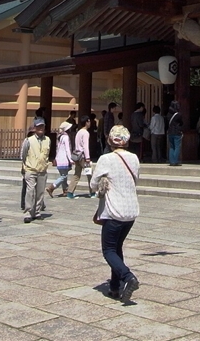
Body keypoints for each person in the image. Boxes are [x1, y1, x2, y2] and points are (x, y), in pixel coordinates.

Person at [90, 124, 141, 303]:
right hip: (131, 211)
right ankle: (114, 286)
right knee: (117, 247)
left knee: (108, 250)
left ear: (110, 140)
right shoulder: (134, 158)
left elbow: (93, 184)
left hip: (114, 211)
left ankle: (128, 277)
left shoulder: (106, 159)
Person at [22, 118, 52, 222]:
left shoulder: (47, 140)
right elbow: (24, 154)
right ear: (34, 128)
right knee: (30, 191)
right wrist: (25, 167)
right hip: (31, 169)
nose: (41, 128)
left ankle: (37, 212)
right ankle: (28, 212)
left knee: (40, 192)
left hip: (42, 169)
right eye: (38, 126)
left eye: (42, 126)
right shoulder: (29, 140)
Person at [67, 114, 93, 198]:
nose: (90, 123)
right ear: (86, 122)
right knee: (89, 174)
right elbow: (85, 146)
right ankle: (92, 192)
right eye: (89, 121)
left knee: (77, 174)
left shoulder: (79, 132)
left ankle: (70, 192)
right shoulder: (85, 133)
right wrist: (87, 157)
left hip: (77, 155)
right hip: (83, 156)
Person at [47, 121, 73, 197]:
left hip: (59, 159)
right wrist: (70, 159)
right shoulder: (66, 137)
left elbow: (58, 149)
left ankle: (65, 190)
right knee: (63, 176)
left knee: (63, 175)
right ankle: (52, 187)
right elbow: (67, 149)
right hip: (64, 159)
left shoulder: (60, 137)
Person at [166, 101, 184, 166]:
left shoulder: (168, 114)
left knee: (171, 147)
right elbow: (181, 123)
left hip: (170, 132)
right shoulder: (178, 115)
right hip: (177, 132)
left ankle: (171, 161)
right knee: (177, 147)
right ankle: (175, 161)